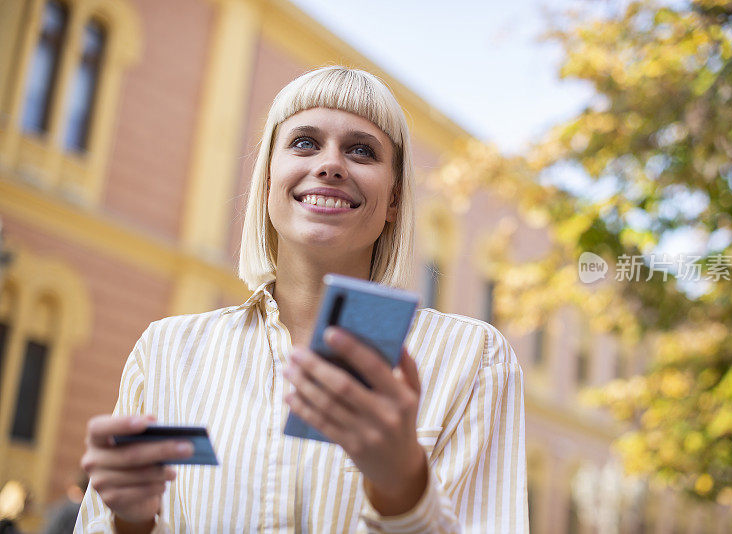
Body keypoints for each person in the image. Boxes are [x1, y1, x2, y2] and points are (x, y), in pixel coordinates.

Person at [76, 66, 528, 533]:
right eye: (304, 143)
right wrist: (131, 521)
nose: (330, 165)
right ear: (268, 178)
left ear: (394, 200)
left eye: (361, 150)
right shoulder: (168, 351)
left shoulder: (473, 358)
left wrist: (402, 491)